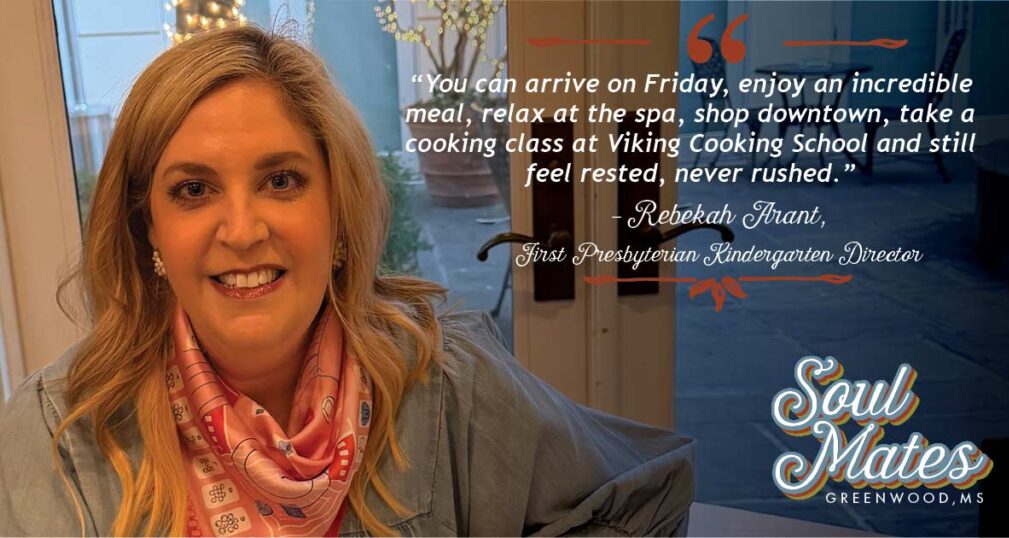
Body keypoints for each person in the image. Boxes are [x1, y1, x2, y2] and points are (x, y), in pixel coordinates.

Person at [0, 25, 694, 537]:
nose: (241, 230)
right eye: (193, 189)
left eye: (281, 180)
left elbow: (642, 498)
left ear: (338, 209)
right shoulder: (57, 439)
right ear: (148, 227)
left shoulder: (449, 381)